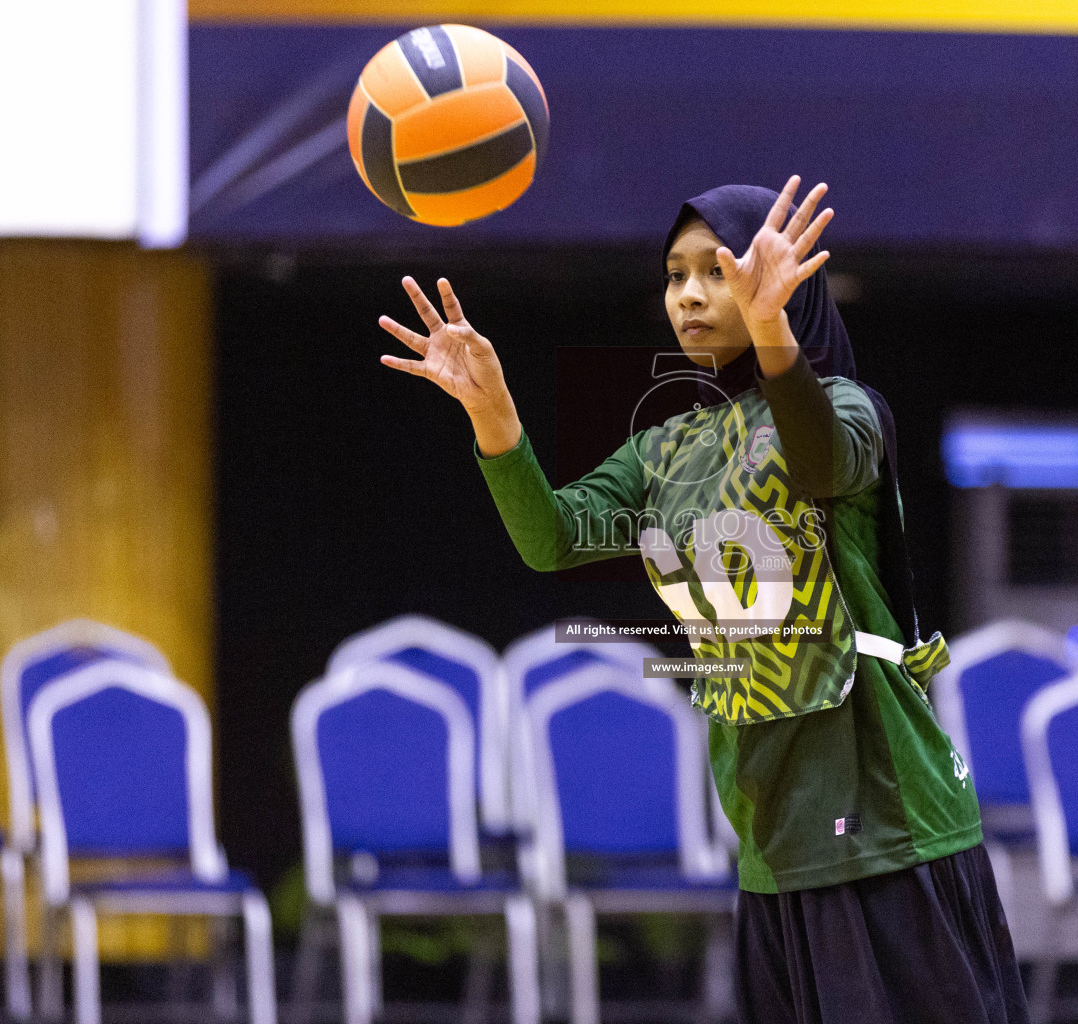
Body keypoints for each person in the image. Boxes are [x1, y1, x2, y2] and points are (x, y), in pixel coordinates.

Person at [377, 177, 1028, 1023]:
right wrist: (494, 415)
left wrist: (769, 331)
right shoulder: (664, 450)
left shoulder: (847, 407)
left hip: (884, 816)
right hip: (766, 827)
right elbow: (554, 540)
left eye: (714, 271)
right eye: (674, 275)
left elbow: (823, 464)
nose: (687, 293)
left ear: (782, 280)